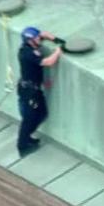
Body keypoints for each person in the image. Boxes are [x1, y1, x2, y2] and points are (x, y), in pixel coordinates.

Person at [16, 26, 63, 157]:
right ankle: (23, 145)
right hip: (29, 91)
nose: (39, 39)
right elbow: (48, 62)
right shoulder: (27, 53)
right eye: (36, 38)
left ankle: (28, 136)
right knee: (29, 119)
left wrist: (56, 39)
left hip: (35, 88)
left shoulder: (32, 43)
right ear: (30, 41)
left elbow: (43, 34)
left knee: (42, 113)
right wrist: (58, 51)